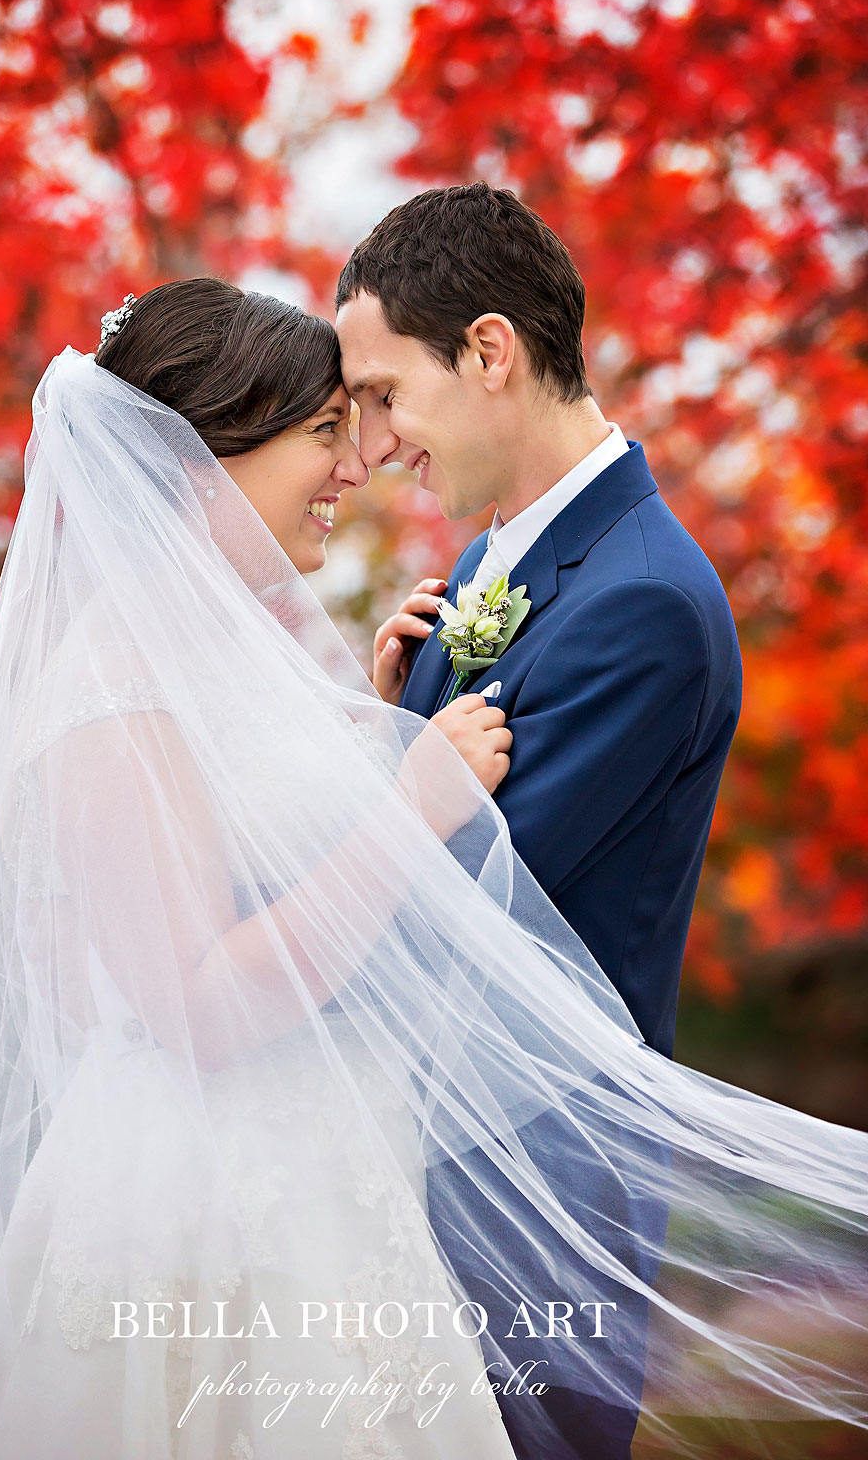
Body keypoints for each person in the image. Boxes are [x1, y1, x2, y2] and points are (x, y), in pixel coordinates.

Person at [0, 281, 866, 1460]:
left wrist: (375, 740)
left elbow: (263, 863)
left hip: (331, 1189)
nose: (358, 463)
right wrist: (407, 813)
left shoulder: (244, 656)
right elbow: (200, 1007)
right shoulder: (107, 687)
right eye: (325, 430)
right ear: (195, 459)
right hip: (207, 1218)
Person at [336, 182, 743, 1458]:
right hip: (426, 1160)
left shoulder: (642, 606)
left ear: (490, 353)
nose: (377, 439)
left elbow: (463, 919)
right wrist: (382, 728)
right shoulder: (488, 569)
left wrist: (376, 809)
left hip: (536, 1191)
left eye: (387, 394)